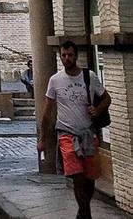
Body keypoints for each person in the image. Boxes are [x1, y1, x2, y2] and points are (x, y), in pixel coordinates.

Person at [38, 41, 111, 219]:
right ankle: (86, 215)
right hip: (66, 134)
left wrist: (98, 109)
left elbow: (106, 98)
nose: (66, 58)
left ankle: (81, 212)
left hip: (87, 133)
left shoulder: (89, 77)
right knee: (77, 176)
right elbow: (47, 113)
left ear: (76, 56)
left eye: (70, 55)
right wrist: (42, 138)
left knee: (90, 178)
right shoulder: (55, 80)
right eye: (63, 55)